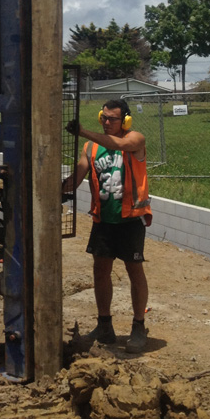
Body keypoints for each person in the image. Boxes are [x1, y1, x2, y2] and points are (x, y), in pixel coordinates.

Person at [62, 98, 152, 353]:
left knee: (135, 270)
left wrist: (81, 131)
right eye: (104, 118)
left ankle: (138, 326)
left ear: (125, 120)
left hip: (130, 219)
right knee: (100, 271)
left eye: (113, 119)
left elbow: (120, 144)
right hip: (104, 220)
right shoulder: (91, 148)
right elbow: (76, 179)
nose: (107, 123)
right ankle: (104, 325)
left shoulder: (136, 140)